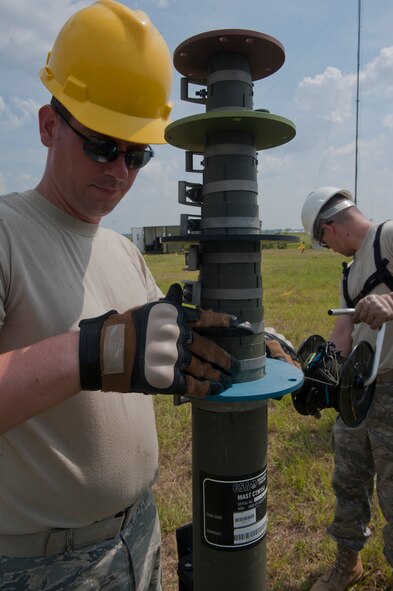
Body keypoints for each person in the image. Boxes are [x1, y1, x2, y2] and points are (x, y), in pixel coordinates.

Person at [0, 2, 247, 589]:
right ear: (47, 125)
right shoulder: (7, 234)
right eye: (103, 146)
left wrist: (251, 347)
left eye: (136, 155)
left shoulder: (123, 250)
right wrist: (91, 353)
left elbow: (158, 350)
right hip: (39, 563)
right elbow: (113, 350)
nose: (120, 170)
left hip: (139, 535)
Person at [301, 186, 393, 591]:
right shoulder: (349, 272)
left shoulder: (388, 237)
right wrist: (319, 375)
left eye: (321, 241)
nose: (326, 248)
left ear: (329, 228)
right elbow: (343, 333)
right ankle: (347, 563)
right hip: (359, 392)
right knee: (348, 482)